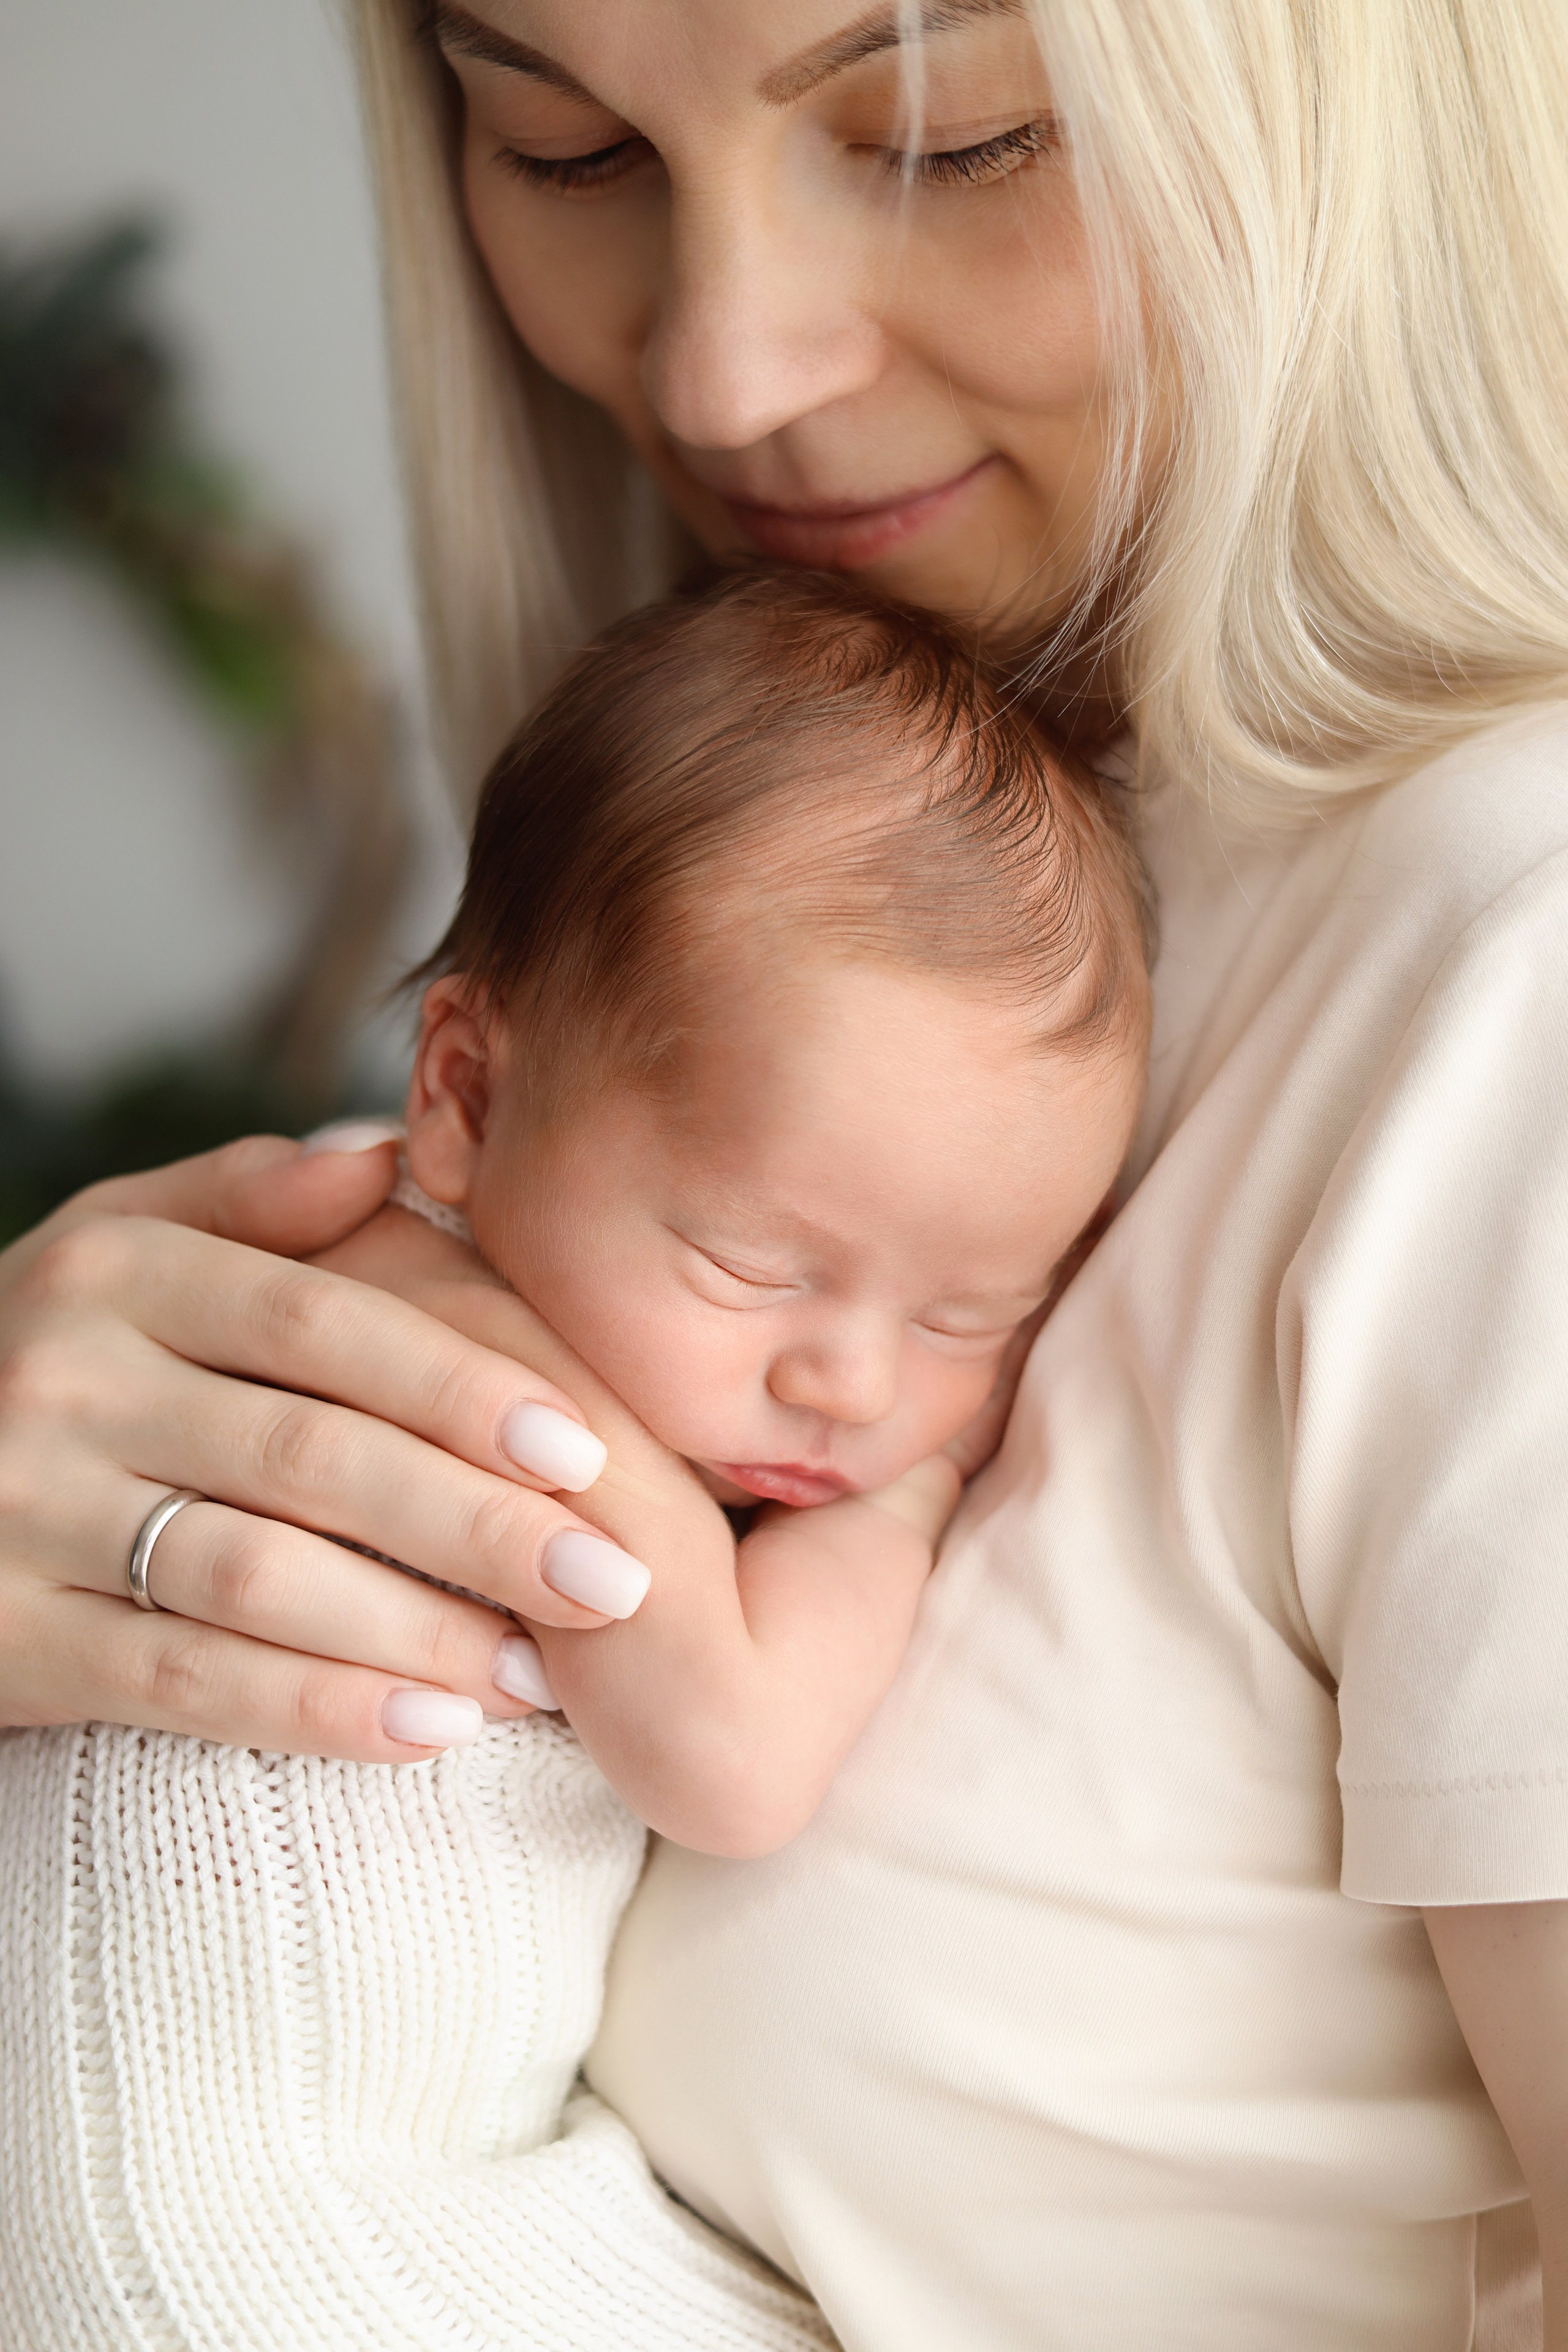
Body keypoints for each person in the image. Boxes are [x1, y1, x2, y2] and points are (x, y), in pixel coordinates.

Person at [0, 2, 1565, 2346]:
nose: (723, 373)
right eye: (566, 149)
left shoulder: (1508, 970)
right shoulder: (854, 878)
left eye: (959, 136)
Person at [0, 570, 1147, 2349]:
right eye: (751, 1267)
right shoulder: (499, 1396)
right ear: (463, 1091)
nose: (851, 1383)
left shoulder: (366, 1247)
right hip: (280, 2257)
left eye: (972, 1317)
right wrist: (917, 1495)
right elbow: (735, 1761)